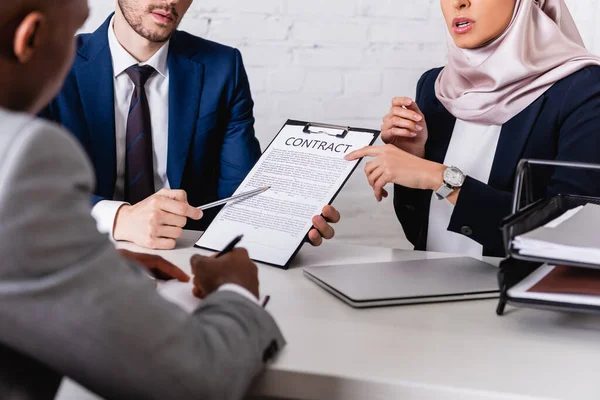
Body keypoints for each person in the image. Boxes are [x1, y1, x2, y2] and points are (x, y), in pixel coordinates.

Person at [0, 0, 285, 399]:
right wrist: (236, 291)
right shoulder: (24, 153)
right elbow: (196, 378)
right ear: (29, 38)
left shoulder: (222, 67)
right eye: (70, 35)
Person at [41, 0, 340, 250]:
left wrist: (283, 221)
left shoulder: (223, 69)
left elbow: (237, 196)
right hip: (78, 255)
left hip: (186, 258)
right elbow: (27, 189)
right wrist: (120, 218)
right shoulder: (49, 65)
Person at [346, 0, 600, 257]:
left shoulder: (584, 90)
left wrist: (439, 177)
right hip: (428, 285)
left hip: (514, 292)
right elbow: (423, 235)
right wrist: (414, 155)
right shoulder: (435, 87)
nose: (459, 3)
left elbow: (571, 233)